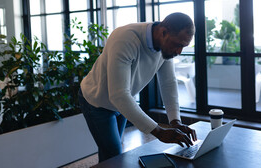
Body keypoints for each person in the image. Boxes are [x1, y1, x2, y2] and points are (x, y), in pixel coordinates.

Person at [78, 12, 197, 162]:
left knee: (112, 154)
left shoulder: (165, 45)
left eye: (183, 46)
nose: (179, 52)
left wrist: (175, 122)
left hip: (121, 101)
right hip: (97, 101)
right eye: (178, 45)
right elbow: (118, 95)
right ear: (164, 32)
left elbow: (168, 83)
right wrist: (159, 132)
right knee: (113, 153)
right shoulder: (125, 39)